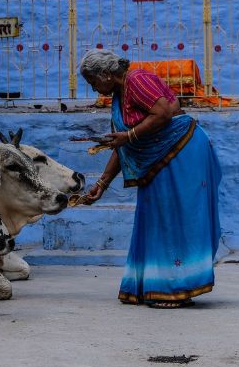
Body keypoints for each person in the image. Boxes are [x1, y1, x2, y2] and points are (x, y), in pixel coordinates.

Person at [79, 48, 222, 308]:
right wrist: (101, 184)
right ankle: (155, 284)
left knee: (176, 217)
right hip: (157, 157)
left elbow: (163, 113)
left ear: (106, 74)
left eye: (93, 82)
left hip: (181, 149)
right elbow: (122, 144)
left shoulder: (137, 80)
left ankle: (178, 288)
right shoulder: (118, 96)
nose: (93, 89)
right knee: (155, 217)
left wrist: (129, 136)